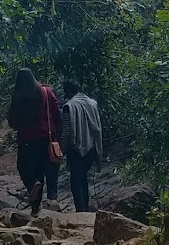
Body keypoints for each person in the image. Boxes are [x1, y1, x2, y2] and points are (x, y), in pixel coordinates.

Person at [6, 68, 61, 215]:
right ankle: (51, 202)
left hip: (27, 140)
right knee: (46, 170)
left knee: (26, 169)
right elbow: (57, 114)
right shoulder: (46, 92)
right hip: (46, 138)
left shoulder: (19, 97)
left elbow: (12, 121)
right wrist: (58, 136)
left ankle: (34, 201)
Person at [60, 80, 103, 212]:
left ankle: (81, 210)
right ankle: (85, 207)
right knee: (84, 178)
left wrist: (62, 149)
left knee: (76, 181)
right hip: (91, 148)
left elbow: (66, 132)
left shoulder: (69, 106)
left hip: (76, 149)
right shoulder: (92, 103)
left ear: (69, 91)